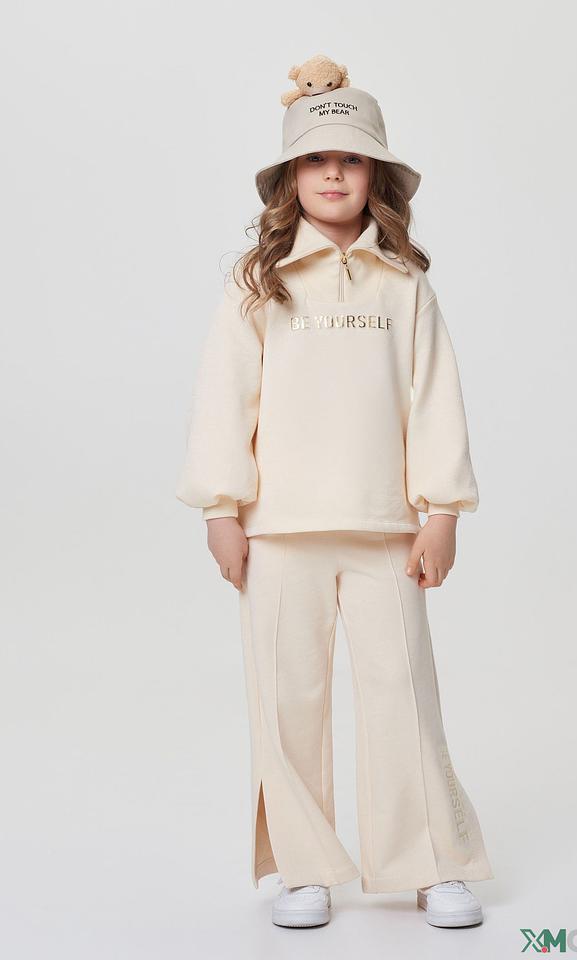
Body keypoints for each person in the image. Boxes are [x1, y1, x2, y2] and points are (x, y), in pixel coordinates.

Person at [175, 71, 494, 929]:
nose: (333, 174)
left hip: (386, 526)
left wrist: (442, 512)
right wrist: (220, 510)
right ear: (290, 177)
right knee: (288, 701)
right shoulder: (260, 283)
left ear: (375, 175)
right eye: (315, 159)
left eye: (351, 160)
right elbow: (224, 400)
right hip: (277, 531)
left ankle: (430, 861)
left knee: (404, 694)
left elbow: (434, 400)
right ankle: (305, 867)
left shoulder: (405, 284)